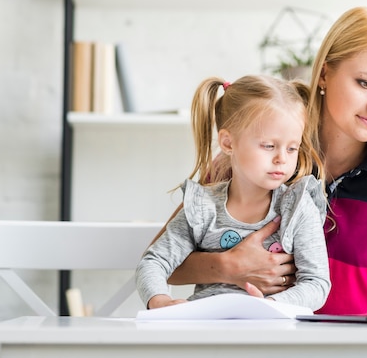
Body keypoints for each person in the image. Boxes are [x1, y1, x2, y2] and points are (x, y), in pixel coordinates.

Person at [157, 6, 367, 315]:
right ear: (325, 73)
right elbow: (162, 264)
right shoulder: (261, 154)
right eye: (366, 83)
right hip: (250, 341)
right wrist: (227, 266)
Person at [136, 75, 331, 311]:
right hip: (206, 331)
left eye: (292, 148)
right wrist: (159, 300)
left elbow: (317, 283)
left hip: (271, 333)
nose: (282, 158)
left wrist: (269, 306)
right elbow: (154, 261)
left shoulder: (298, 206)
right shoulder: (202, 207)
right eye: (269, 146)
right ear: (228, 143)